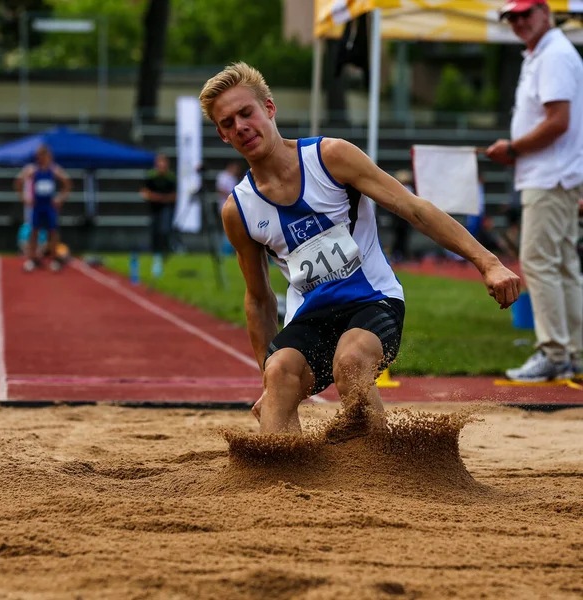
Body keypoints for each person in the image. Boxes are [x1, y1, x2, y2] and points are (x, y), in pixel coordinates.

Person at [199, 62, 520, 435]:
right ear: (222, 135)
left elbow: (414, 208)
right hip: (312, 317)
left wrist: (489, 262)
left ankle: (379, 474)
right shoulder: (238, 210)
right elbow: (259, 300)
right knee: (280, 375)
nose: (240, 127)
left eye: (245, 113)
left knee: (350, 363)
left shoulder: (330, 158)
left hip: (373, 302)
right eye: (227, 123)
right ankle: (280, 484)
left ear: (269, 109)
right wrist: (268, 384)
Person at [486, 0, 583, 382]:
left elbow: (558, 121)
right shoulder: (547, 52)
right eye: (512, 16)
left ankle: (555, 353)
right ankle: (570, 352)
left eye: (526, 13)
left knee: (542, 263)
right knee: (561, 265)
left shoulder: (554, 54)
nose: (519, 21)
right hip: (553, 174)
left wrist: (513, 149)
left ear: (545, 10)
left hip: (549, 176)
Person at [15, 144, 71, 273]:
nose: (42, 159)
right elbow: (18, 181)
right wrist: (24, 198)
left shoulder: (54, 169)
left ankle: (54, 259)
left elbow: (67, 182)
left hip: (49, 205)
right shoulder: (33, 169)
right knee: (34, 231)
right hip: (38, 204)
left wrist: (61, 198)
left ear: (48, 156)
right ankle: (32, 258)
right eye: (40, 156)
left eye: (44, 156)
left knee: (53, 232)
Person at [140, 153, 177, 277]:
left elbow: (174, 195)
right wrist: (157, 197)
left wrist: (163, 198)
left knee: (164, 230)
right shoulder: (151, 176)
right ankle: (156, 255)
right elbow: (145, 192)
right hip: (154, 209)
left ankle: (163, 252)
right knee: (155, 231)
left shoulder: (170, 177)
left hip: (166, 208)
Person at [216, 160, 243, 255]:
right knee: (227, 230)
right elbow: (221, 190)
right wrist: (232, 195)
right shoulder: (223, 176)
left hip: (234, 207)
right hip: (225, 206)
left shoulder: (233, 178)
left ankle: (228, 251)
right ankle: (225, 251)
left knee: (232, 230)